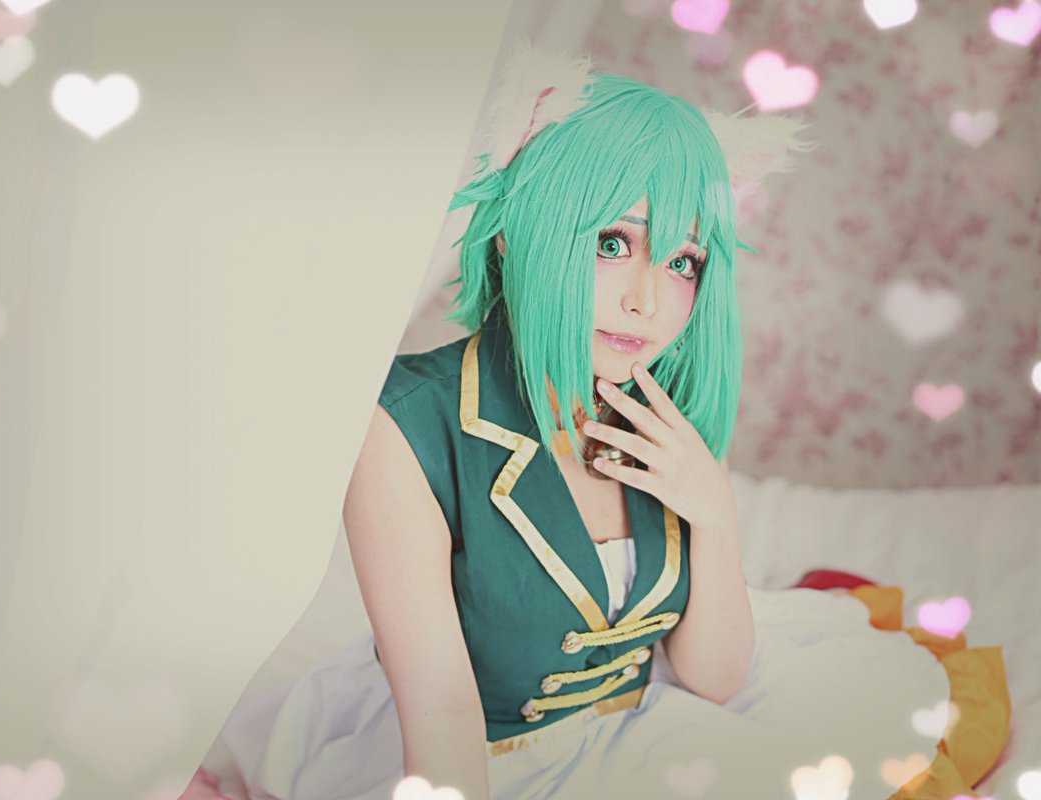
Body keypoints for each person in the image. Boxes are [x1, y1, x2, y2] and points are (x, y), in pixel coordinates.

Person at [203, 40, 1009, 800]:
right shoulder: (406, 426)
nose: (647, 300)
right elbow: (443, 711)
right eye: (613, 243)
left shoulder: (659, 408)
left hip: (640, 729)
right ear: (519, 233)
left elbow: (714, 678)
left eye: (682, 261)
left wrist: (714, 514)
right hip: (469, 753)